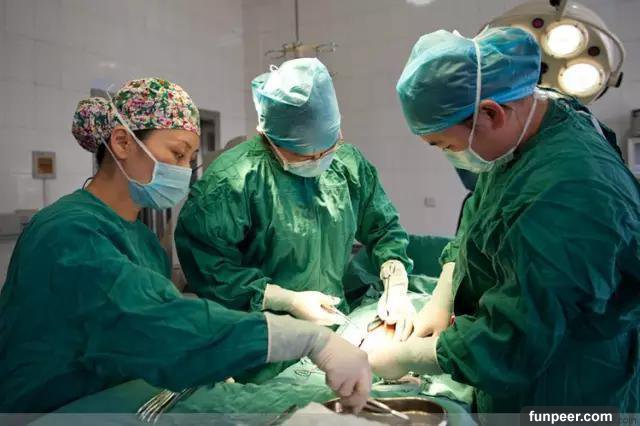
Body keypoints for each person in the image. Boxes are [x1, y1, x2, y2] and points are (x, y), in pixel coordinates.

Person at [0, 78, 371, 413]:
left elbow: (143, 345)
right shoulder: (66, 233)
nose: (184, 170)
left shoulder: (143, 241)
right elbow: (155, 322)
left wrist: (206, 363)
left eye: (190, 159)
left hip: (115, 401)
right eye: (177, 154)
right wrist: (305, 339)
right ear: (123, 142)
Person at [369, 27, 640, 413]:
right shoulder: (531, 126)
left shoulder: (568, 194)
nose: (449, 155)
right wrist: (442, 298)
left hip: (566, 390)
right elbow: (480, 217)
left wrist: (406, 356)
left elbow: (518, 337)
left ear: (491, 113)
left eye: (446, 144)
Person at [175, 58, 415, 342]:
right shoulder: (230, 182)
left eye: (327, 149)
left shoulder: (348, 164)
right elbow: (210, 268)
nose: (318, 160)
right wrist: (284, 300)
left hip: (336, 330)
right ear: (269, 137)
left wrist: (395, 283)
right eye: (303, 155)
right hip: (262, 339)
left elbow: (383, 229)